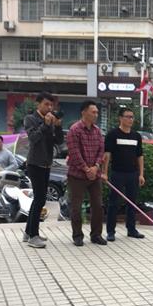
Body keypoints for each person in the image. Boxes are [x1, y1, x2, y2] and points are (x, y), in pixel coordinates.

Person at [23, 92, 64, 249]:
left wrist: (57, 126)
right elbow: (33, 138)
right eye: (46, 104)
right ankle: (33, 236)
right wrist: (45, 125)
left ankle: (28, 232)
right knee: (39, 199)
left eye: (51, 105)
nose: (49, 107)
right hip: (35, 164)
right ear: (38, 104)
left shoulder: (51, 120)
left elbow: (58, 141)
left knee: (39, 199)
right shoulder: (30, 119)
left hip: (46, 164)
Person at [66, 101, 106, 247]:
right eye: (93, 112)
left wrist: (96, 167)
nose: (96, 115)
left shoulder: (97, 131)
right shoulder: (74, 130)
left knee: (98, 205)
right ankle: (77, 235)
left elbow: (101, 150)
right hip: (77, 175)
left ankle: (96, 235)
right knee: (76, 207)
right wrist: (86, 169)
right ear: (84, 112)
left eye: (97, 112)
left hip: (95, 175)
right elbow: (74, 152)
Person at [103, 108, 145, 241]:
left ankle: (131, 229)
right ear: (120, 118)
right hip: (117, 173)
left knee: (132, 203)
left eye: (132, 117)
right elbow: (107, 154)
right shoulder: (113, 134)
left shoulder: (136, 136)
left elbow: (140, 156)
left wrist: (141, 174)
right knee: (113, 203)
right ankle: (110, 231)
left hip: (133, 174)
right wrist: (104, 173)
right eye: (128, 117)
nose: (130, 119)